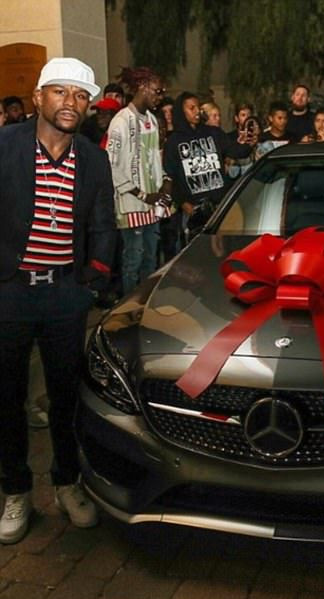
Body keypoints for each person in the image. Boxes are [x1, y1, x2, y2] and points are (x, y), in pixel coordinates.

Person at [0, 57, 116, 544]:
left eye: (81, 95)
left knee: (67, 396)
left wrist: (92, 285)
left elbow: (103, 225)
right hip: (10, 292)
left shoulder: (92, 157)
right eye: (61, 91)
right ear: (38, 97)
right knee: (7, 399)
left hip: (66, 295)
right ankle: (16, 490)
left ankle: (68, 483)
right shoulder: (5, 145)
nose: (72, 101)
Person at [106, 67, 172, 296]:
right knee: (133, 260)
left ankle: (144, 305)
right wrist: (141, 194)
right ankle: (128, 308)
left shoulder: (151, 120)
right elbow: (111, 165)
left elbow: (154, 159)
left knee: (150, 259)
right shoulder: (121, 121)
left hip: (152, 205)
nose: (160, 96)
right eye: (157, 91)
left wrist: (165, 180)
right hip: (131, 204)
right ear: (142, 87)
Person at [163, 91, 252, 244]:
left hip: (220, 207)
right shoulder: (173, 142)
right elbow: (171, 176)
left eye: (198, 107)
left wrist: (250, 142)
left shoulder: (213, 133)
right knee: (197, 253)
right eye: (191, 108)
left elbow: (237, 151)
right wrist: (184, 204)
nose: (197, 111)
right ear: (181, 112)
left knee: (225, 249)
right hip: (194, 211)